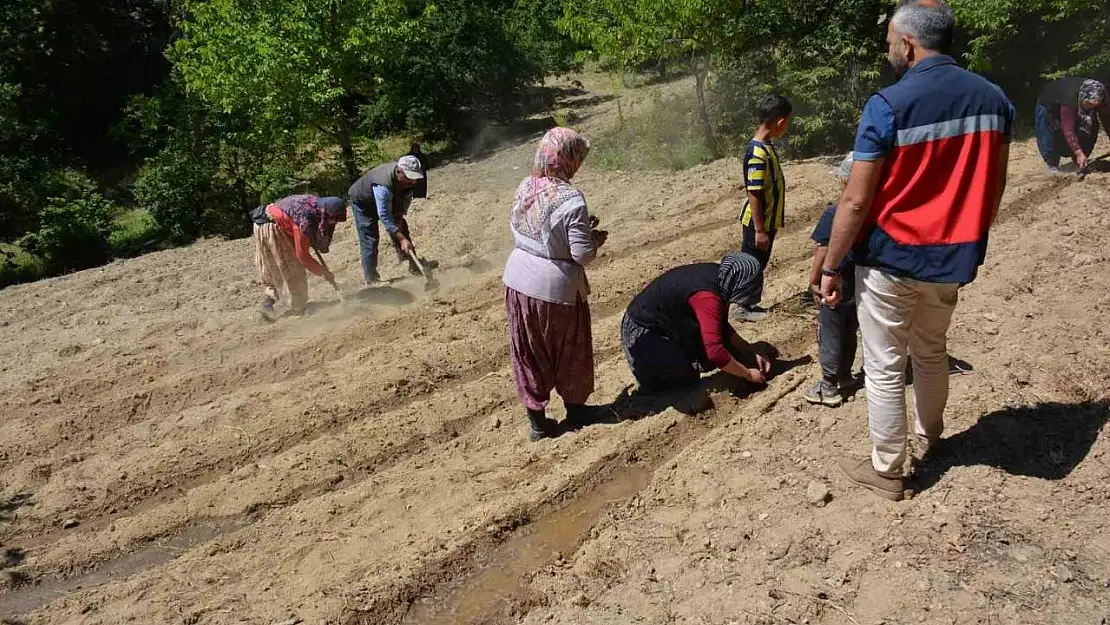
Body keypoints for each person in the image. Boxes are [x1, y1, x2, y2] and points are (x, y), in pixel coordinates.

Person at [818, 0, 1014, 501]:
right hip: (952, 259)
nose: (890, 52)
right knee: (931, 351)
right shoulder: (994, 100)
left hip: (893, 259)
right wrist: (973, 233)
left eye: (889, 44)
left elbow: (857, 200)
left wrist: (832, 264)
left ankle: (888, 471)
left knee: (885, 364)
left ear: (908, 43)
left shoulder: (887, 104)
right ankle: (932, 438)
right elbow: (993, 187)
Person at [504, 127, 608, 442]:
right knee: (569, 351)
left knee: (529, 352)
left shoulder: (524, 185)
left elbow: (528, 230)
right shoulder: (571, 199)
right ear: (567, 158)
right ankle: (577, 412)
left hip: (517, 282)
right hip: (556, 291)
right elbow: (582, 255)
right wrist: (593, 240)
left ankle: (537, 422)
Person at [621, 252, 773, 392]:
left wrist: (750, 351)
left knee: (729, 350)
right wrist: (748, 375)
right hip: (643, 331)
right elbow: (715, 353)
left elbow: (721, 325)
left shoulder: (722, 277)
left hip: (670, 321)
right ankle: (653, 377)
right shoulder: (708, 297)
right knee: (684, 379)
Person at [804, 153, 859, 407]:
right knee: (850, 331)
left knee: (830, 331)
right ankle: (846, 376)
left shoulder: (834, 213)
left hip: (836, 282)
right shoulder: (871, 212)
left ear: (845, 180)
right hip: (858, 283)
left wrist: (815, 279)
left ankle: (827, 385)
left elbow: (823, 249)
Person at [735, 94, 793, 323]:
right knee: (752, 262)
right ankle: (743, 306)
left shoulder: (765, 147)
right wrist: (759, 229)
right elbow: (755, 192)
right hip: (759, 222)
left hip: (766, 222)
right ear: (780, 122)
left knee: (758, 261)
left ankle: (749, 302)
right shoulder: (758, 153)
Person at [251, 194, 347, 321]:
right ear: (327, 214)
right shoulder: (306, 219)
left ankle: (267, 305)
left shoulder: (314, 204)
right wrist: (323, 273)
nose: (333, 223)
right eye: (333, 219)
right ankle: (297, 309)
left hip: (262, 224)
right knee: (292, 268)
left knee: (275, 269)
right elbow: (302, 256)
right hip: (272, 228)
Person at [347, 155, 426, 284]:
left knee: (402, 230)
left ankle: (415, 266)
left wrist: (400, 230)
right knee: (370, 239)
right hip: (364, 203)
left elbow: (400, 209)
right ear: (399, 172)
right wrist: (400, 239)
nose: (413, 182)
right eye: (409, 178)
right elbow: (384, 216)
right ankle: (372, 280)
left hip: (387, 198)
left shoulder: (409, 183)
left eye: (415, 178)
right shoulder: (382, 186)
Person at [1035, 78, 1109, 173]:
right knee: (1048, 132)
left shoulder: (1102, 97)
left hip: (1076, 102)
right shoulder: (1070, 98)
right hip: (1049, 104)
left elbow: (1107, 121)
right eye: (1090, 104)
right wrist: (1078, 152)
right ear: (1083, 97)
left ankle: (1079, 161)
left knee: (1091, 127)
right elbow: (1068, 129)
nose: (1092, 108)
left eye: (1095, 105)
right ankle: (1052, 164)